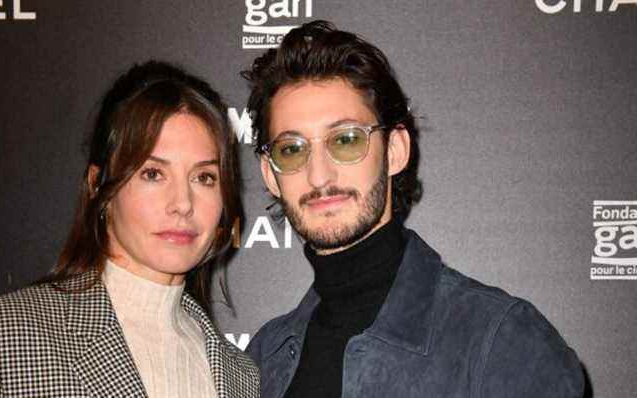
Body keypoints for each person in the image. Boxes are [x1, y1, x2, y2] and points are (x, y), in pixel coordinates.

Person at [242, 21, 584, 397]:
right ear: (271, 175)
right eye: (291, 148)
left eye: (346, 140)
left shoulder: (501, 341)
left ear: (394, 151)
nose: (319, 174)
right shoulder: (263, 358)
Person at [0, 61, 259, 397]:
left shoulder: (241, 375)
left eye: (204, 177)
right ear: (99, 186)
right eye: (153, 173)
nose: (183, 202)